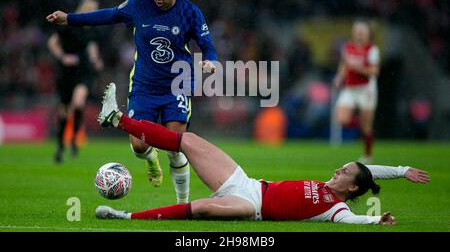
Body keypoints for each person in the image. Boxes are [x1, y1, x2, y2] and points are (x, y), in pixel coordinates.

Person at [95, 83, 429, 224]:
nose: (339, 170)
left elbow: (355, 220)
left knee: (201, 210)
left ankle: (124, 217)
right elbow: (368, 172)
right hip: (248, 183)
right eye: (343, 166)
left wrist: (375, 219)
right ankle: (116, 118)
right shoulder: (334, 186)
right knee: (189, 139)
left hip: (251, 206)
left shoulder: (335, 208)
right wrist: (401, 170)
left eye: (345, 172)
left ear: (353, 188)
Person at [46, 0, 217, 203]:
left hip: (177, 84)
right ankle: (150, 160)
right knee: (138, 146)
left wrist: (210, 62)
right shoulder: (139, 3)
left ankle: (182, 204)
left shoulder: (190, 12)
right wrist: (70, 19)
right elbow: (110, 15)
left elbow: (207, 45)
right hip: (144, 85)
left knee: (175, 145)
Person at [47, 0, 104, 163]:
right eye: (92, 9)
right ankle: (60, 145)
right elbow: (52, 42)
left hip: (84, 71)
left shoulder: (92, 29)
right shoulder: (70, 25)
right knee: (64, 110)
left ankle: (73, 138)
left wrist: (95, 59)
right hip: (66, 72)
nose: (94, 12)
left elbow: (92, 47)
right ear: (84, 8)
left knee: (78, 102)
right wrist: (63, 56)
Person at [333, 19, 380, 164]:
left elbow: (375, 71)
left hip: (366, 89)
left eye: (362, 31)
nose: (359, 33)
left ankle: (367, 155)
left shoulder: (372, 50)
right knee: (341, 119)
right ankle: (361, 123)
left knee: (367, 128)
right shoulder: (348, 47)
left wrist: (357, 67)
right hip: (350, 88)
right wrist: (339, 77)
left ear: (367, 34)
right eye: (357, 30)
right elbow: (344, 65)